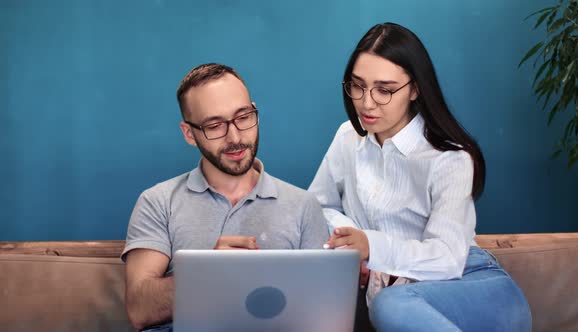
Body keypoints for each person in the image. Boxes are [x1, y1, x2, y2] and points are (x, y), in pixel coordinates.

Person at [309, 23, 532, 331]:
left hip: (473, 284)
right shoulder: (349, 137)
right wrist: (350, 241)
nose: (366, 102)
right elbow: (317, 207)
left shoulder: (450, 158)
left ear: (415, 88)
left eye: (384, 90)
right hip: (400, 299)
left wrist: (371, 247)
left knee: (390, 305)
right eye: (358, 85)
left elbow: (447, 259)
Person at [123, 63, 329, 332]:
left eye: (243, 117)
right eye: (214, 125)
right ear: (189, 134)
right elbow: (140, 310)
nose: (235, 137)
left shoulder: (303, 206)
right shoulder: (157, 202)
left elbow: (325, 315)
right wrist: (209, 276)